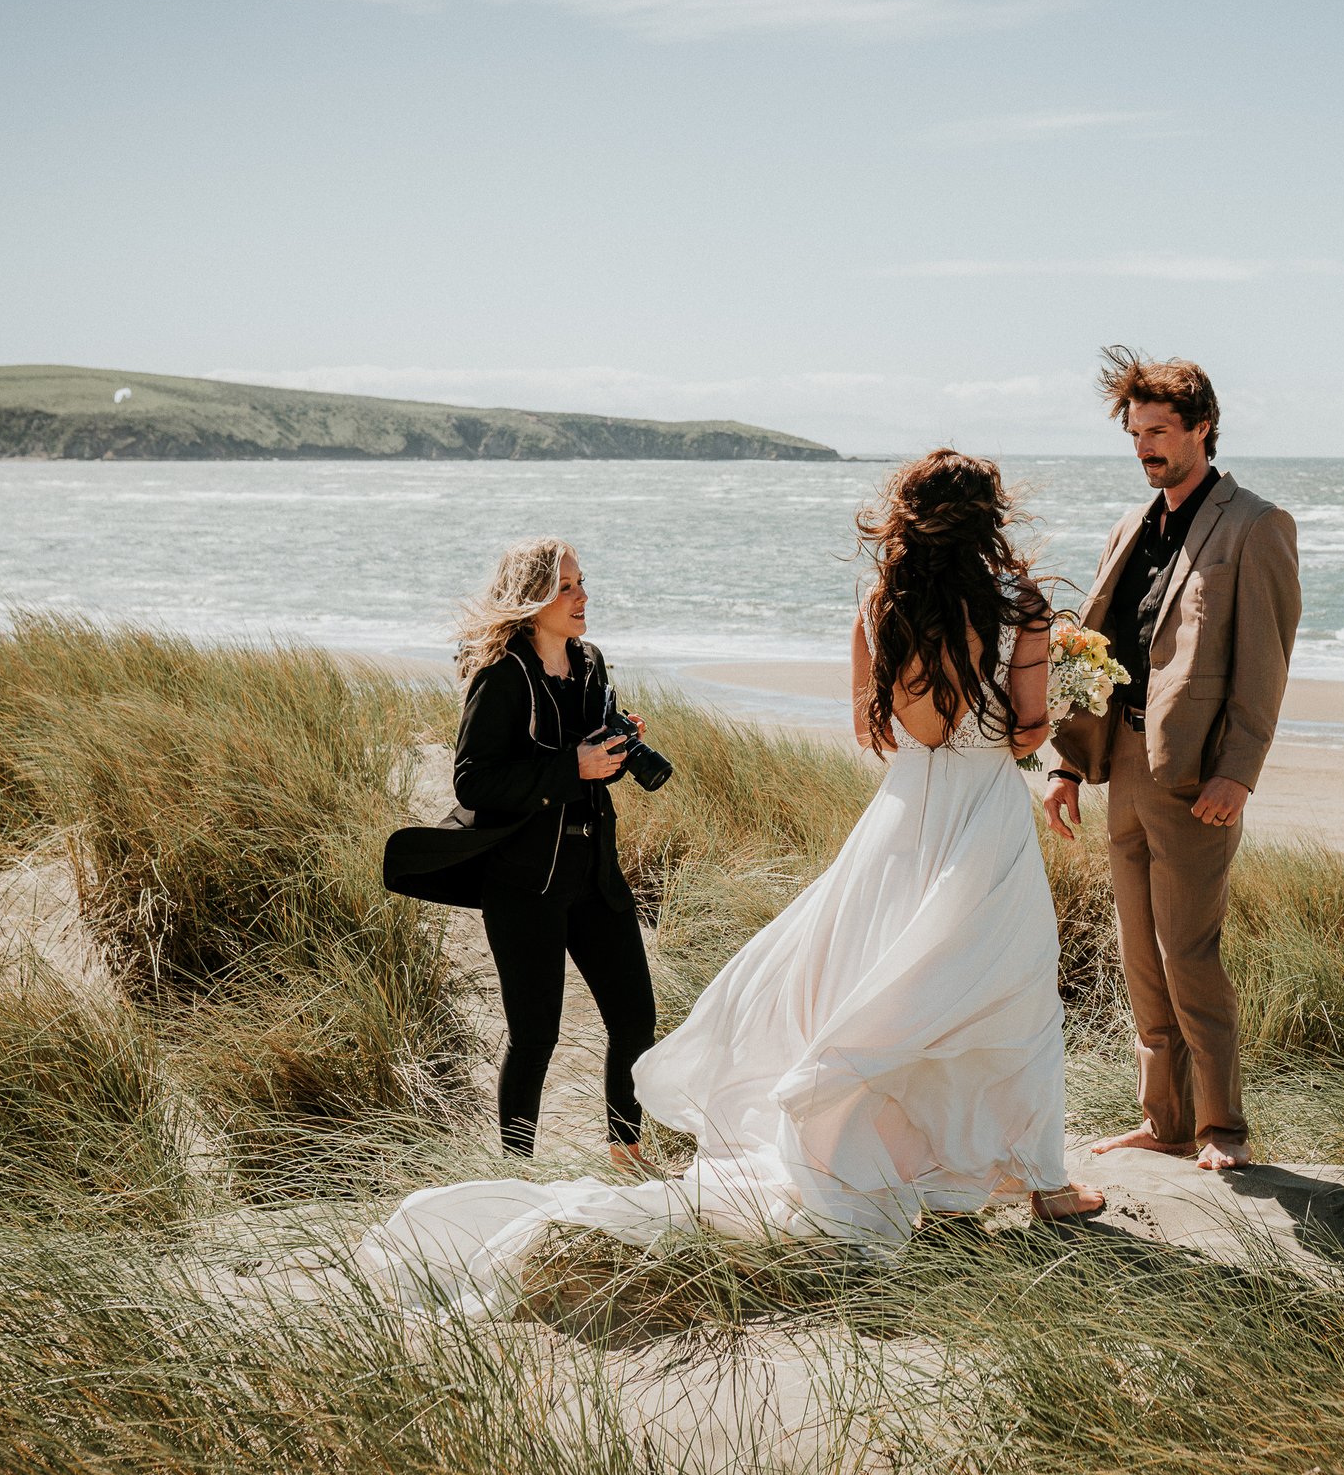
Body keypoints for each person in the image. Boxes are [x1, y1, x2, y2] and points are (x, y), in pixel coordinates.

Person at [359, 453, 1099, 1312]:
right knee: (1006, 996)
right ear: (990, 519)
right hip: (984, 819)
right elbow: (1023, 737)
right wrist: (1052, 691)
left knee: (882, 989)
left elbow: (881, 735)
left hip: (905, 820)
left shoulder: (879, 607)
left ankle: (909, 1165)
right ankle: (1039, 1183)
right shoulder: (1025, 608)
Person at [1042, 346, 1302, 1172]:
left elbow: (1265, 659)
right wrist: (1065, 764)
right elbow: (1095, 648)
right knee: (1138, 955)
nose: (1146, 447)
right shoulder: (1130, 525)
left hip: (1195, 776)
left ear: (1204, 428)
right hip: (1119, 759)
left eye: (1159, 431)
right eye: (1136, 433)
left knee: (1190, 951)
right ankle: (1164, 1121)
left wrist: (1240, 770)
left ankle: (1223, 1127)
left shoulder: (1256, 525)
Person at [381, 538, 656, 1169]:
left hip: (595, 873)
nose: (582, 595)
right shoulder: (501, 676)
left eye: (582, 581)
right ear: (534, 601)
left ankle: (627, 1152)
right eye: (566, 587)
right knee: (536, 1038)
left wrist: (608, 755)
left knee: (635, 1024)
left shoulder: (590, 664)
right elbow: (474, 781)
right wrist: (572, 766)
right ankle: (515, 1169)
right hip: (526, 881)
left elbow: (585, 770)